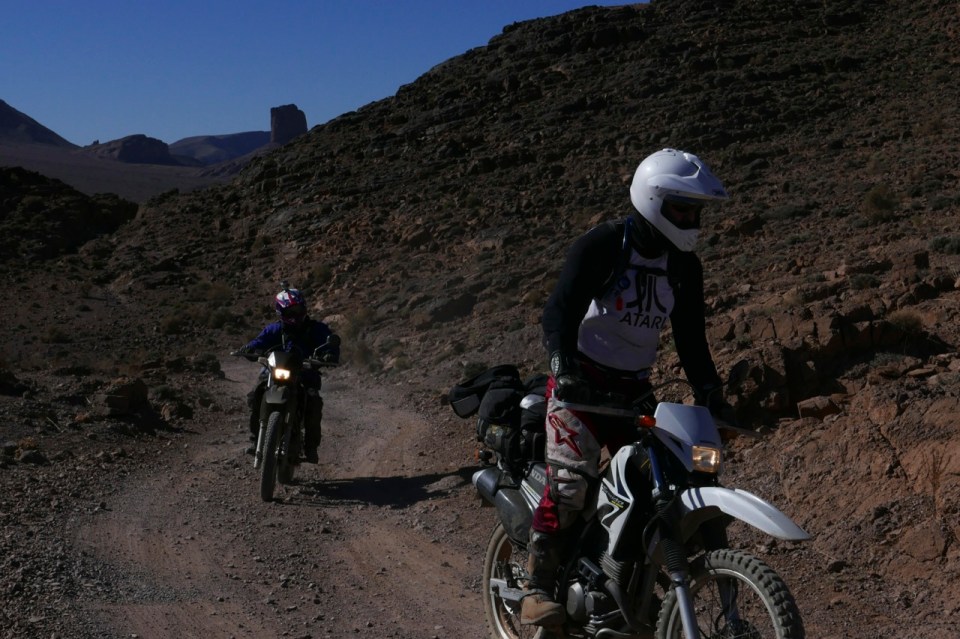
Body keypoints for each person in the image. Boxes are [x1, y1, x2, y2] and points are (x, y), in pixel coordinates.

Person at [521, 148, 737, 628]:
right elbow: (559, 312)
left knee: (664, 483)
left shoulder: (684, 266)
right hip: (580, 388)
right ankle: (537, 586)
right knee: (570, 485)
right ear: (654, 200)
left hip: (633, 392)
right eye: (683, 209)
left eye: (696, 210)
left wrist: (711, 393)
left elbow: (691, 338)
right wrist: (562, 365)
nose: (692, 219)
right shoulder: (602, 245)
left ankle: (624, 580)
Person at [236, 285, 340, 464]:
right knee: (256, 394)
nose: (295, 314)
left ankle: (311, 446)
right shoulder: (274, 329)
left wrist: (329, 354)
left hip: (305, 374)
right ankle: (255, 439)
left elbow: (329, 344)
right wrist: (249, 349)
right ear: (280, 311)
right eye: (290, 311)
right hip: (274, 372)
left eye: (298, 309)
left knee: (314, 401)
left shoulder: (316, 329)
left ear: (304, 308)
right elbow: (259, 341)